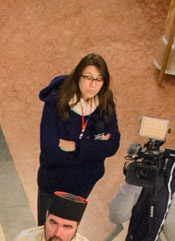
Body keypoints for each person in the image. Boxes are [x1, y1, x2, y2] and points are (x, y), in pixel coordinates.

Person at [35, 55, 121, 223]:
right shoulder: (56, 101)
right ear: (78, 76)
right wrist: (93, 150)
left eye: (99, 79)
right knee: (46, 229)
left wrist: (75, 146)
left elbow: (113, 146)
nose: (93, 84)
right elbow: (50, 152)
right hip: (53, 181)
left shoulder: (105, 101)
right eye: (88, 77)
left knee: (69, 229)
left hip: (83, 183)